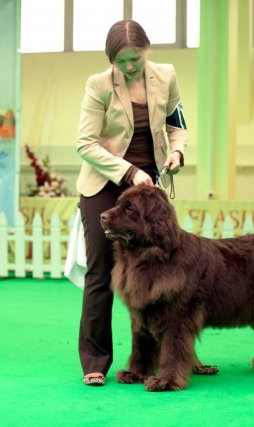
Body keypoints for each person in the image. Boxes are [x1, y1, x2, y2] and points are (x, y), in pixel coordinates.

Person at [75, 20, 189, 386]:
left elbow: (177, 123)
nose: (128, 67)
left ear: (147, 50)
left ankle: (159, 359)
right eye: (121, 61)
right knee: (102, 273)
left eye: (134, 59)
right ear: (111, 60)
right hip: (105, 184)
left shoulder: (166, 75)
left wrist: (177, 152)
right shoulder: (98, 85)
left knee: (162, 272)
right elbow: (85, 144)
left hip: (150, 185)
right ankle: (95, 360)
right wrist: (127, 172)